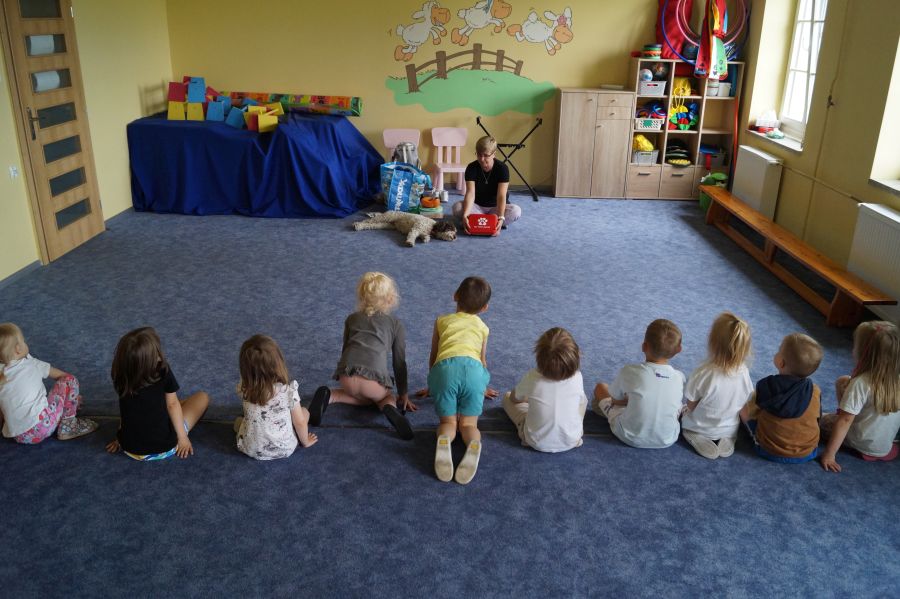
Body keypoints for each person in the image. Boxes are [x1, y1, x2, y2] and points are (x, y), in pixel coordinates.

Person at [308, 272, 415, 440]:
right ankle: (389, 408)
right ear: (390, 298)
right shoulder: (396, 325)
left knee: (351, 395)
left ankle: (328, 395)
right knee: (386, 396)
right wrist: (403, 394)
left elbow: (345, 349)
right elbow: (399, 362)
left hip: (347, 377)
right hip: (373, 383)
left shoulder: (351, 319)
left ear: (362, 297)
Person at [422, 276, 497, 484]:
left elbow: (434, 356)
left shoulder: (442, 321)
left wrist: (434, 384)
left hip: (444, 371)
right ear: (485, 308)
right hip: (474, 374)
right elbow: (482, 361)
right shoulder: (483, 327)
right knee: (468, 423)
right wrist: (481, 387)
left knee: (448, 422)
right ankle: (473, 443)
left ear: (455, 296)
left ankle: (445, 439)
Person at [106, 327, 209, 461]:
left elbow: (125, 411)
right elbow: (172, 405)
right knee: (202, 397)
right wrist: (183, 438)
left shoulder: (120, 376)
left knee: (161, 404)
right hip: (164, 448)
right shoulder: (162, 370)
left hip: (129, 448)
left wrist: (119, 438)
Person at [819, 321, 900, 472]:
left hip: (858, 441)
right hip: (884, 446)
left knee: (820, 419)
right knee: (843, 381)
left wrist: (829, 454)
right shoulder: (896, 380)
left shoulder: (861, 383)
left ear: (863, 353)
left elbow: (845, 421)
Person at [592, 319, 685, 448]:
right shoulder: (679, 377)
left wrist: (629, 400)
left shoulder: (629, 371)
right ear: (679, 349)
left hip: (628, 435)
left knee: (600, 388)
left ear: (644, 346)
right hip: (668, 439)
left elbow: (615, 400)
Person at [0, 322, 97, 444]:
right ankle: (68, 426)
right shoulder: (32, 364)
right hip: (42, 428)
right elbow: (63, 376)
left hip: (19, 436)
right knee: (70, 380)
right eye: (23, 341)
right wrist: (71, 399)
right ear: (18, 349)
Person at [739, 333, 823, 463]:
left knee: (743, 408)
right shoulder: (815, 391)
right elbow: (818, 418)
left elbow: (754, 410)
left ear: (781, 363)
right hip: (807, 452)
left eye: (779, 350)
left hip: (769, 450)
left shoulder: (767, 386)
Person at [502, 327, 587, 453]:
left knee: (507, 398)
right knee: (582, 400)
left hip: (536, 441)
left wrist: (526, 399)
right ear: (577, 355)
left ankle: (528, 433)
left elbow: (514, 398)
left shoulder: (533, 377)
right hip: (572, 439)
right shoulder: (578, 376)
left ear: (538, 356)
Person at [681, 313, 753, 459]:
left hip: (699, 426)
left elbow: (691, 405)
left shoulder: (703, 372)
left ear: (713, 343)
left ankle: (696, 434)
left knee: (685, 414)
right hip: (729, 427)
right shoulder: (744, 372)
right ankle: (727, 438)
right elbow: (745, 401)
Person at [235, 334, 317, 460]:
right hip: (285, 448)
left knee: (239, 422)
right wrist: (305, 442)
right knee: (304, 412)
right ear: (278, 363)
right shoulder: (288, 391)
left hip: (251, 449)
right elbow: (300, 423)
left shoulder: (244, 387)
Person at [451, 136, 522, 233]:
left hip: (496, 208)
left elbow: (501, 196)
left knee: (516, 211)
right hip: (477, 206)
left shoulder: (502, 168)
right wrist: (465, 215)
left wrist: (501, 217)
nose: (482, 159)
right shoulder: (471, 168)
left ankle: (480, 222)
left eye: (486, 155)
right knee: (457, 208)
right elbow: (470, 193)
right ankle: (489, 223)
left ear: (494, 154)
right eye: (479, 154)